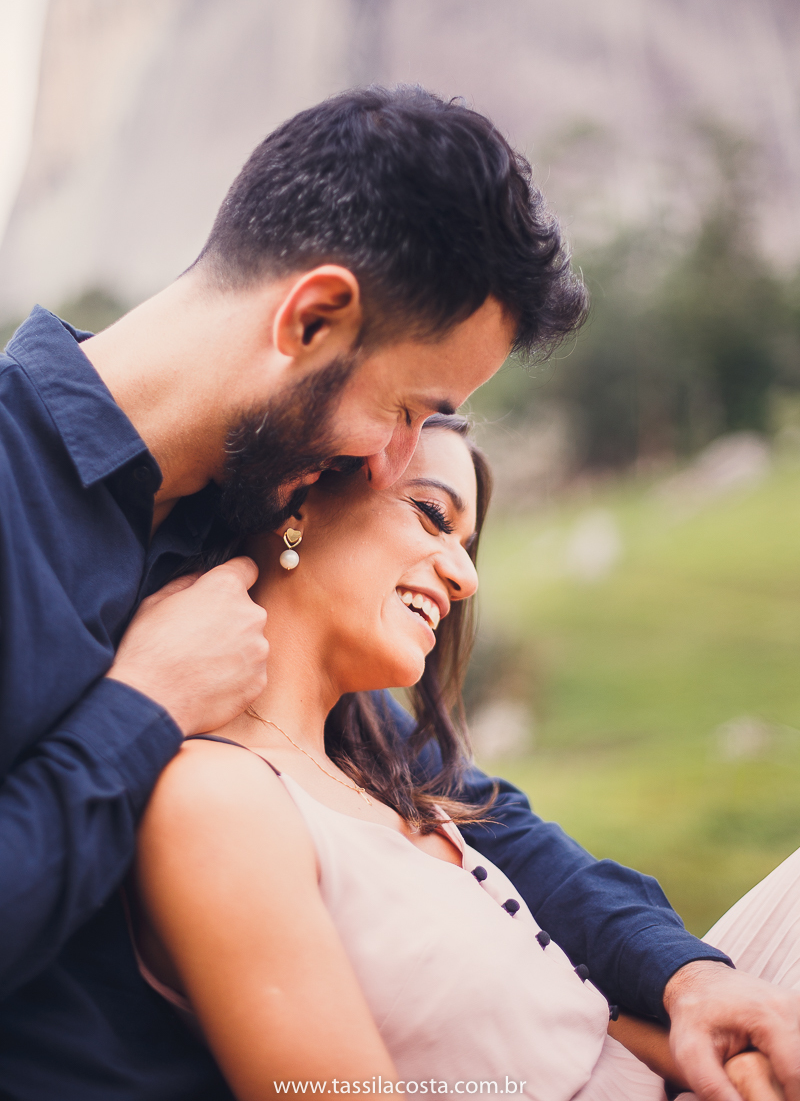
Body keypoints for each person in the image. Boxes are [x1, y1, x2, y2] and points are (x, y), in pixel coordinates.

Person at [0, 85, 795, 1101]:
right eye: (409, 411)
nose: (393, 463)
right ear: (313, 317)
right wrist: (139, 714)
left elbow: (457, 802)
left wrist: (679, 973)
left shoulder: (242, 525)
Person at [127, 415, 798, 1101]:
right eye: (431, 515)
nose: (466, 576)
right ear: (296, 499)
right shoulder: (218, 802)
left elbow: (576, 1021)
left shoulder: (375, 773)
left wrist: (731, 1066)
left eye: (469, 543)